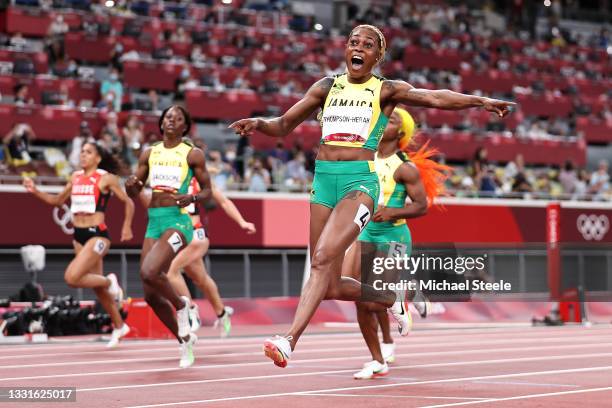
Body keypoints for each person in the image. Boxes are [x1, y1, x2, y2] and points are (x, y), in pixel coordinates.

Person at [229, 24, 514, 367]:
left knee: (319, 261)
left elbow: (435, 97)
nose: (358, 47)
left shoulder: (386, 90)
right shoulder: (325, 87)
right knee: (331, 284)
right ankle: (392, 296)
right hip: (323, 182)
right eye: (353, 42)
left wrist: (480, 101)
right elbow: (284, 124)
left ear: (377, 56)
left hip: (359, 184)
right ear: (346, 49)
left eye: (367, 44)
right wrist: (260, 122)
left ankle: (289, 340)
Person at [343, 107, 448, 379]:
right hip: (365, 232)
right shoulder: (364, 158)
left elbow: (422, 206)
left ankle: (409, 293)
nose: (384, 120)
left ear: (402, 132)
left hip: (393, 236)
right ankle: (378, 359)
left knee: (374, 302)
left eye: (392, 119)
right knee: (360, 299)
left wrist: (392, 212)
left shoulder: (404, 167)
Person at [125, 105, 212, 368]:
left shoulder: (192, 154)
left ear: (185, 126)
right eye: (167, 117)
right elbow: (135, 188)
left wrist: (193, 197)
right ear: (161, 123)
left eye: (177, 118)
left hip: (178, 222)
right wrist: (130, 186)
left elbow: (209, 191)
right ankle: (184, 340)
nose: (171, 121)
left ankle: (181, 304)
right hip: (154, 221)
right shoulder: (149, 152)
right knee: (150, 294)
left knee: (151, 270)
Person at [23, 141, 134, 348]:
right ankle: (120, 327)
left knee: (72, 278)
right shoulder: (75, 177)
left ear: (97, 158)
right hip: (78, 236)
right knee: (97, 288)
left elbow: (128, 202)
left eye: (88, 152)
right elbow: (57, 201)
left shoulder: (105, 178)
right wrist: (35, 190)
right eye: (82, 151)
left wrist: (126, 226)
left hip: (97, 235)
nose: (83, 155)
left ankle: (110, 282)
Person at [139, 176, 256, 337]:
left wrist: (242, 222)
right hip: (177, 234)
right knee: (200, 278)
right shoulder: (167, 178)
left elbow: (224, 201)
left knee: (171, 272)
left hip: (195, 234)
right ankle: (222, 312)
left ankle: (191, 310)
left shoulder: (198, 178)